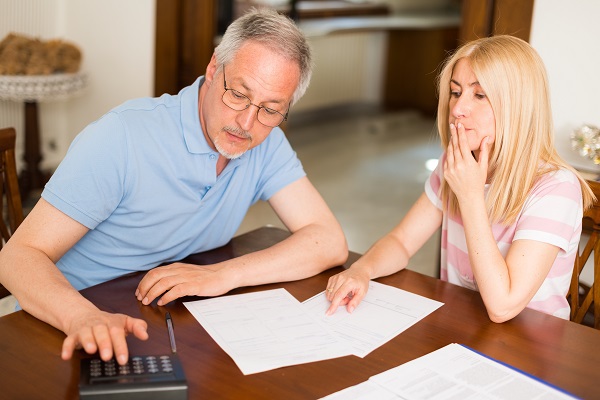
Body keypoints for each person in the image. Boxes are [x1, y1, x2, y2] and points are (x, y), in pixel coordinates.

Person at [0, 8, 348, 365]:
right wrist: (80, 316)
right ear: (213, 69)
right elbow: (16, 257)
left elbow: (328, 240)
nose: (246, 123)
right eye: (238, 94)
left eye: (270, 109)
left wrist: (223, 274)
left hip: (160, 320)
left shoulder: (267, 144)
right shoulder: (122, 136)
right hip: (64, 324)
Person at [325, 35, 594, 323]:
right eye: (456, 92)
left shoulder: (556, 188)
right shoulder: (457, 164)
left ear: (518, 106)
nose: (457, 109)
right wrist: (361, 270)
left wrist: (470, 196)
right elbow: (402, 241)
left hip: (530, 343)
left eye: (479, 95)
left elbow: (503, 307)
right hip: (460, 326)